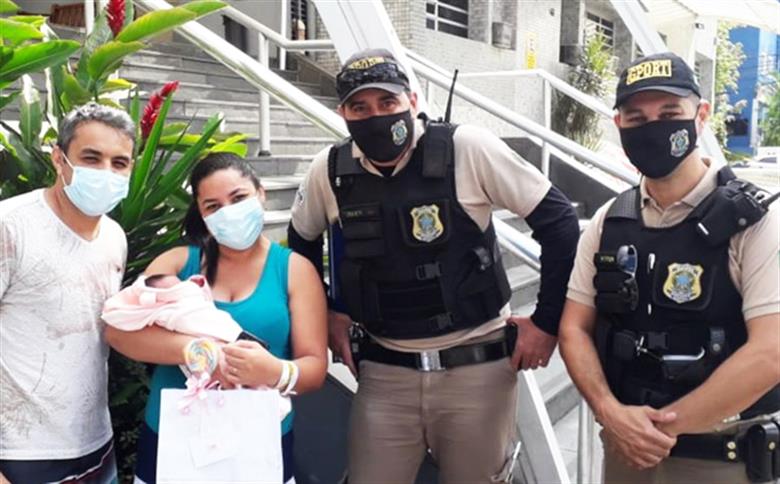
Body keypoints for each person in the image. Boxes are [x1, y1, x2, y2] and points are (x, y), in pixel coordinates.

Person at [287, 48, 581, 483]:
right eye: (360, 107)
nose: (376, 116)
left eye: (387, 102)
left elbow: (559, 222)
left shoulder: (467, 148)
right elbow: (301, 241)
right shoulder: (329, 171)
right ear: (343, 113)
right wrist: (327, 312)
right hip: (384, 373)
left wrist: (547, 322)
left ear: (412, 99)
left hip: (476, 369)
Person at [559, 52, 780, 483]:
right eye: (636, 118)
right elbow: (574, 329)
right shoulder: (609, 221)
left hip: (721, 460)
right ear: (619, 123)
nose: (652, 128)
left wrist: (659, 430)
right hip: (625, 450)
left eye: (669, 114)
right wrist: (609, 411)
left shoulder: (753, 222)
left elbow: (770, 352)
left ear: (701, 116)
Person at [105, 152, 327, 484]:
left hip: (259, 440)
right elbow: (119, 331)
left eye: (238, 198)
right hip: (175, 439)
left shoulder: (294, 270)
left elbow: (315, 368)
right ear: (201, 213)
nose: (229, 212)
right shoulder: (178, 264)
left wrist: (274, 371)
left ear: (260, 193)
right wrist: (199, 351)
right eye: (213, 206)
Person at [0, 102, 135, 483]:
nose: (106, 172)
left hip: (95, 447)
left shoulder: (114, 237)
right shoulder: (10, 226)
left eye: (119, 163)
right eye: (91, 158)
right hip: (18, 454)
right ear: (59, 159)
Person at [102, 273, 244, 343]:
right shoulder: (163, 312)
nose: (181, 287)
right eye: (174, 288)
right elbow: (115, 334)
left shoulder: (193, 294)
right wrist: (201, 352)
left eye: (180, 285)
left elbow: (204, 306)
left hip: (237, 337)